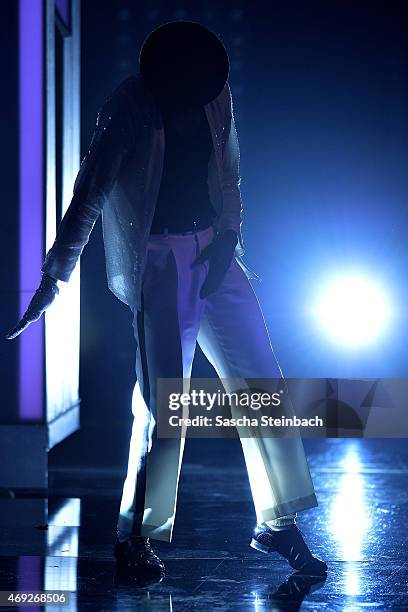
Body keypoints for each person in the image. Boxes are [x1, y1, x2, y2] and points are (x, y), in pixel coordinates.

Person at [6, 21, 327, 579]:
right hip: (157, 259)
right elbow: (89, 195)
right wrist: (54, 278)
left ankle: (277, 524)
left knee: (262, 388)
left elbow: (229, 170)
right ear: (162, 81)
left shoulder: (214, 94)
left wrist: (228, 237)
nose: (199, 99)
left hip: (214, 252)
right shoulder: (127, 108)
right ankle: (138, 536)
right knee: (163, 410)